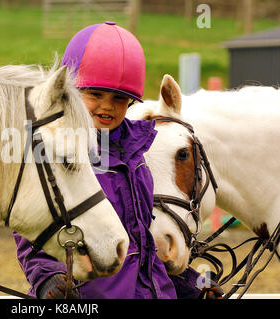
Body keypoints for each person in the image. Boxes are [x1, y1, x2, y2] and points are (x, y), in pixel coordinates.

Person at [13, 22, 223, 299]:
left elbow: (143, 241)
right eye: (95, 94)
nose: (108, 106)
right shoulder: (52, 151)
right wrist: (48, 279)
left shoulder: (136, 154)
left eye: (120, 98)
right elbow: (31, 233)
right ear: (70, 92)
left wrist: (190, 285)